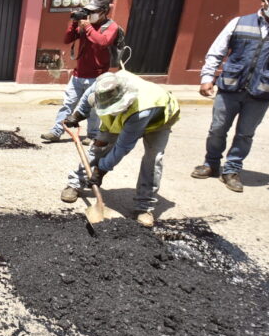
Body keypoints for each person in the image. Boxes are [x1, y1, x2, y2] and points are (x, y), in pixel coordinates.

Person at [191, 0, 269, 192]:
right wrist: (207, 77)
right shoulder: (239, 23)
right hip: (230, 87)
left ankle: (231, 169)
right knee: (217, 129)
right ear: (264, 2)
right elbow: (216, 51)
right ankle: (211, 163)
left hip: (262, 91)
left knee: (245, 134)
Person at [61, 72, 180, 227]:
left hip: (158, 119)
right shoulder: (103, 87)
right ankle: (75, 183)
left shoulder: (141, 109)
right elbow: (86, 97)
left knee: (153, 158)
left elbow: (122, 147)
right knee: (98, 148)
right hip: (126, 115)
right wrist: (78, 115)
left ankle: (144, 207)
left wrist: (101, 170)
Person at [41, 0, 119, 145]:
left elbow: (103, 42)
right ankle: (57, 131)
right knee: (68, 104)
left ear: (103, 11)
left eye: (93, 11)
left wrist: (88, 27)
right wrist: (74, 23)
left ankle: (92, 135)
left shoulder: (110, 26)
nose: (90, 14)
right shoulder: (85, 24)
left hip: (97, 77)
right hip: (78, 74)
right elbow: (67, 39)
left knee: (94, 108)